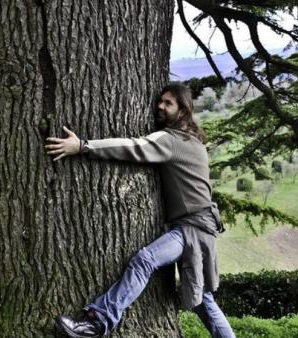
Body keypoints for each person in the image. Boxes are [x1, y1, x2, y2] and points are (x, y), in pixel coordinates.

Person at [44, 82, 236, 338]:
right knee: (203, 300)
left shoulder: (171, 140)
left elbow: (133, 146)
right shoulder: (195, 143)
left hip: (191, 229)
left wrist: (83, 145)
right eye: (160, 101)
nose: (160, 106)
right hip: (202, 227)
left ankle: (98, 322)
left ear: (183, 110)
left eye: (168, 103)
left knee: (145, 260)